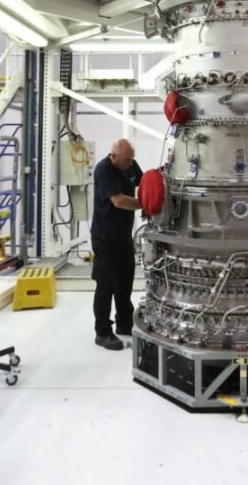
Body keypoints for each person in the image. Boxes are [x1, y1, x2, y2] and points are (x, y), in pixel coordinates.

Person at [90, 138, 143, 351]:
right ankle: (102, 332)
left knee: (125, 283)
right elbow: (119, 200)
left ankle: (125, 323)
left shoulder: (130, 164)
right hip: (105, 239)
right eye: (127, 160)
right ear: (114, 157)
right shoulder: (104, 170)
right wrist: (146, 203)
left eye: (132, 159)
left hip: (123, 237)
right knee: (106, 286)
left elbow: (143, 181)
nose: (130, 164)